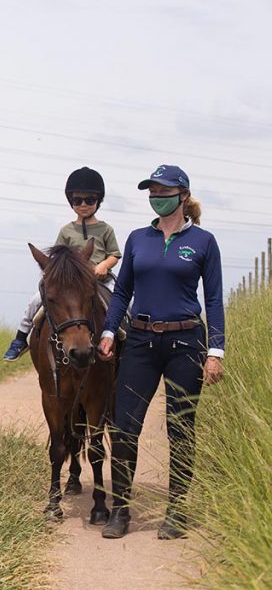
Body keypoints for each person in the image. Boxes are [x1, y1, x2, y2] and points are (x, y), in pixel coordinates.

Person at [97, 164, 225, 540]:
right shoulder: (138, 238)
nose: (156, 196)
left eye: (164, 190)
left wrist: (215, 351)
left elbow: (214, 299)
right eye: (151, 190)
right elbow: (122, 293)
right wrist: (108, 330)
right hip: (139, 341)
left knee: (181, 429)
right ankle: (120, 512)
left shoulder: (203, 242)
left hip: (186, 343)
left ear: (183, 195)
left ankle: (177, 512)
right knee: (123, 427)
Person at [3, 167, 121, 360]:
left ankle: (126, 339)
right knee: (35, 300)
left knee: (122, 304)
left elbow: (114, 254)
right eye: (77, 200)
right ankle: (20, 338)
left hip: (100, 280)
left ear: (98, 201)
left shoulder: (105, 229)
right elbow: (57, 258)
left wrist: (104, 265)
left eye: (90, 200)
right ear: (71, 202)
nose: (83, 205)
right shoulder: (66, 230)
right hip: (70, 283)